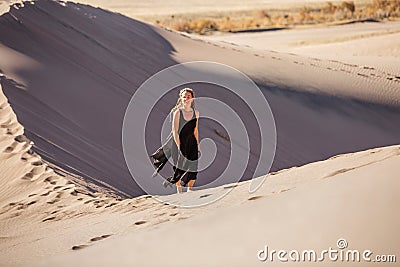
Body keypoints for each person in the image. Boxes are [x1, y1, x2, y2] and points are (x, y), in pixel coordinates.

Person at [163, 88, 200, 193]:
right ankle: (179, 189)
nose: (186, 98)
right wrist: (179, 146)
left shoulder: (196, 113)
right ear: (181, 98)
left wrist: (198, 144)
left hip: (192, 143)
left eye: (188, 96)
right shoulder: (177, 113)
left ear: (192, 98)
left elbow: (196, 130)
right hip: (179, 143)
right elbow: (174, 131)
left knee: (193, 166)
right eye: (184, 96)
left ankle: (189, 189)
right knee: (179, 167)